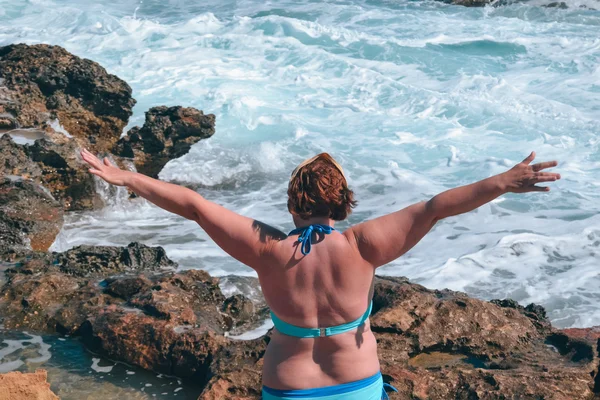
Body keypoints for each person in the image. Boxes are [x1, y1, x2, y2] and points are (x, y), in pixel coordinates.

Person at [81, 149, 560, 400]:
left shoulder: (267, 249)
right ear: (343, 202)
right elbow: (437, 207)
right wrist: (501, 182)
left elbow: (195, 206)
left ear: (293, 203)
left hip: (290, 388)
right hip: (357, 385)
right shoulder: (363, 247)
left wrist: (128, 179)